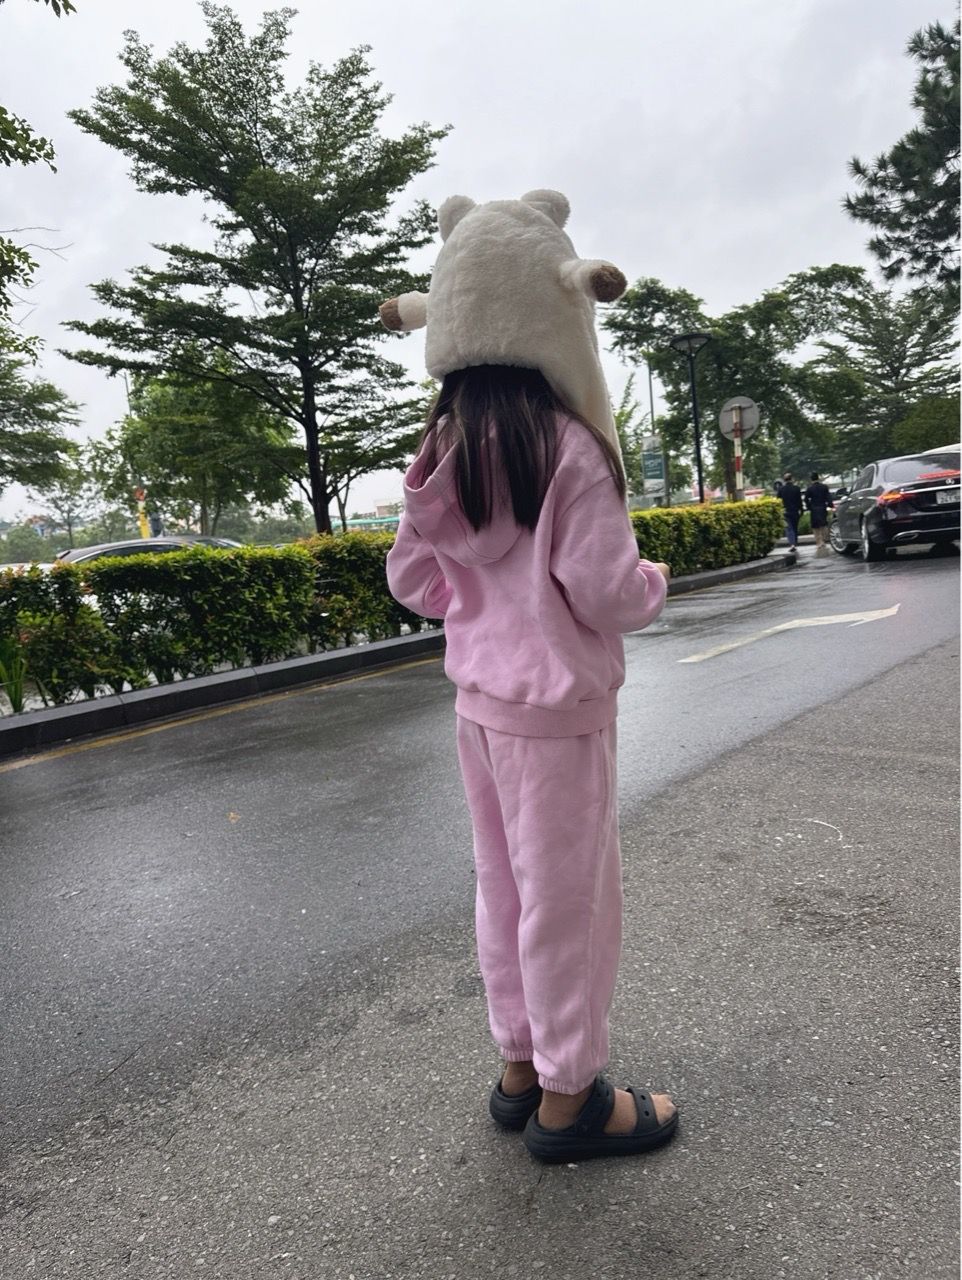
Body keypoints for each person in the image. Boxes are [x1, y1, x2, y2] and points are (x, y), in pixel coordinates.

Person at [381, 189, 678, 1164]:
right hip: (556, 716)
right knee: (568, 904)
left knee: (503, 890)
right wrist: (653, 579)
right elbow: (605, 592)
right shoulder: (568, 448)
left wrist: (478, 599)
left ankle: (519, 1065)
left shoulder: (441, 453)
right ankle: (569, 1097)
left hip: (479, 709)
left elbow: (413, 581)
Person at [805, 472, 833, 555]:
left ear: (811, 479)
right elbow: (828, 497)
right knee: (823, 524)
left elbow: (806, 499)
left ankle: (819, 542)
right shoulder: (824, 487)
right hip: (822, 507)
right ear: (818, 478)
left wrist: (809, 506)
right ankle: (824, 540)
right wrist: (830, 504)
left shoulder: (810, 488)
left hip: (814, 509)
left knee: (815, 526)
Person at [779, 472, 803, 550]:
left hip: (785, 511)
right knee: (795, 527)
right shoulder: (796, 488)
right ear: (792, 479)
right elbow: (799, 501)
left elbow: (778, 501)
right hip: (795, 511)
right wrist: (801, 510)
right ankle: (795, 542)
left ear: (784, 480)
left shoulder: (781, 489)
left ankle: (792, 544)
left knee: (789, 528)